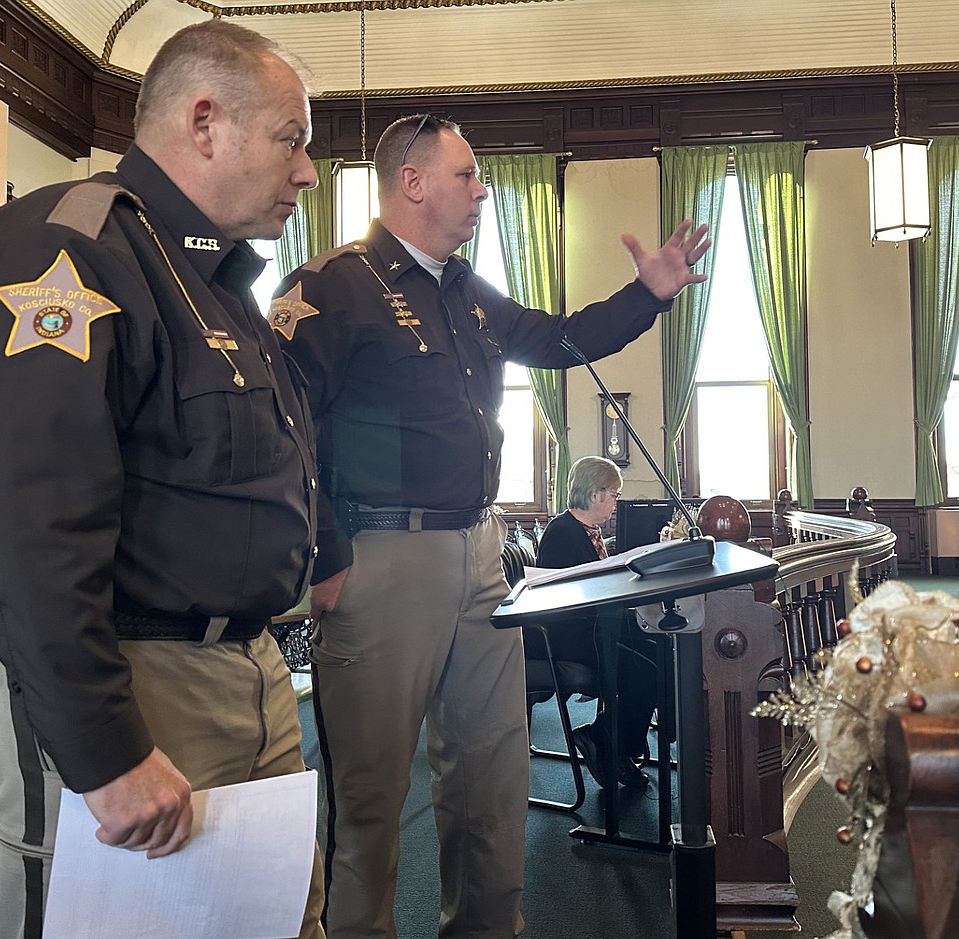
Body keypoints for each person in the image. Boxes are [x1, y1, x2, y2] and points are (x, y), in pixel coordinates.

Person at [270, 112, 709, 939]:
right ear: (414, 182)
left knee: (491, 778)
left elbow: (561, 338)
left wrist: (649, 293)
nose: (482, 189)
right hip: (379, 557)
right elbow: (283, 426)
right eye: (468, 174)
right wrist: (325, 551)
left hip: (481, 556)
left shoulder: (465, 290)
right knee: (367, 798)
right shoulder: (331, 284)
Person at [0, 21, 324, 939]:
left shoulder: (213, 279)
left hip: (243, 669)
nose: (308, 171)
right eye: (292, 139)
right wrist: (105, 750)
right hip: (126, 680)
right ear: (204, 122)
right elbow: (29, 529)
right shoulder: (63, 251)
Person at [536, 455, 657, 789]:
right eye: (614, 495)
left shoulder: (586, 531)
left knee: (659, 650)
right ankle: (608, 743)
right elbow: (559, 601)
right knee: (645, 669)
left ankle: (610, 742)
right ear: (594, 495)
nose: (616, 503)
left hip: (597, 627)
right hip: (570, 636)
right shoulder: (562, 533)